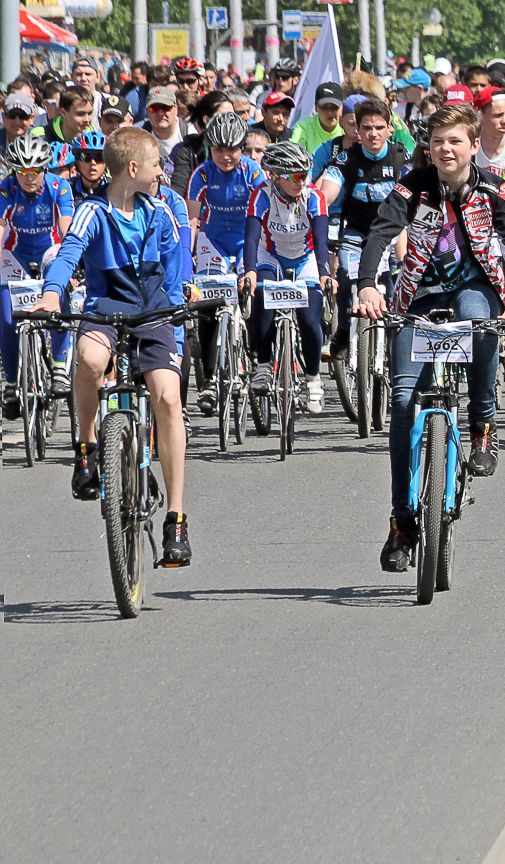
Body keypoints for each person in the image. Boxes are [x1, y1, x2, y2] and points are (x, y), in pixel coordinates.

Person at [354, 104, 505, 572]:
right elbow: (380, 233)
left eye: (455, 141)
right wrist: (369, 285)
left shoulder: (496, 188)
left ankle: (482, 426)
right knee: (399, 402)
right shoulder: (411, 187)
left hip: (475, 286)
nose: (445, 149)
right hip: (418, 291)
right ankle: (400, 521)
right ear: (428, 148)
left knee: (481, 326)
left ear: (474, 146)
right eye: (438, 142)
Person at [35, 127, 195, 564]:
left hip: (155, 314)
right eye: (157, 165)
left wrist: (176, 332)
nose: (162, 172)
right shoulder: (93, 212)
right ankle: (86, 447)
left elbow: (176, 273)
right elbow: (69, 253)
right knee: (88, 358)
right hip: (105, 308)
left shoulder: (159, 213)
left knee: (167, 396)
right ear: (133, 168)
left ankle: (176, 520)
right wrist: (52, 293)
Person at [316, 98, 411, 360]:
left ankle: (396, 348)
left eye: (379, 127)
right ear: (357, 130)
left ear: (389, 129)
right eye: (367, 128)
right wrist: (319, 208)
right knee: (346, 277)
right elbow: (327, 194)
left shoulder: (401, 157)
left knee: (395, 287)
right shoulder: (347, 158)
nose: (373, 134)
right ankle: (345, 331)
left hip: (394, 235)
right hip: (356, 231)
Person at [243, 141, 333, 414]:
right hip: (270, 254)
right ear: (275, 176)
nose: (301, 181)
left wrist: (325, 273)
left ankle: (313, 379)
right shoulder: (261, 195)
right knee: (263, 299)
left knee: (308, 317)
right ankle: (263, 365)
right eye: (294, 176)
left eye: (305, 175)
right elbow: (251, 236)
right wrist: (249, 270)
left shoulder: (314, 196)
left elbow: (320, 240)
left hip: (305, 258)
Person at [185, 111, 264, 412]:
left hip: (246, 239)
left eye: (232, 149)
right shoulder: (202, 174)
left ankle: (257, 357)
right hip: (213, 241)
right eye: (219, 149)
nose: (226, 156)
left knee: (255, 292)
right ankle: (207, 381)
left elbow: (262, 215)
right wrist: (187, 258)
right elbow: (192, 220)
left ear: (242, 148)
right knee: (207, 304)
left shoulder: (254, 172)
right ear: (209, 148)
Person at [0, 135, 74, 416]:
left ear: (45, 168)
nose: (30, 178)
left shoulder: (59, 186)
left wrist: (72, 264)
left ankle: (58, 367)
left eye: (36, 171)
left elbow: (66, 229)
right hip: (15, 253)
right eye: (23, 172)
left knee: (59, 287)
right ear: (14, 171)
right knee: (6, 315)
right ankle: (9, 382)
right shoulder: (6, 190)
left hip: (49, 249)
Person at [290, 83, 348, 155]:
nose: (329, 112)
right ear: (316, 108)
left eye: (334, 107)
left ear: (342, 107)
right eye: (324, 107)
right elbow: (293, 155)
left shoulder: (348, 127)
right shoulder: (303, 128)